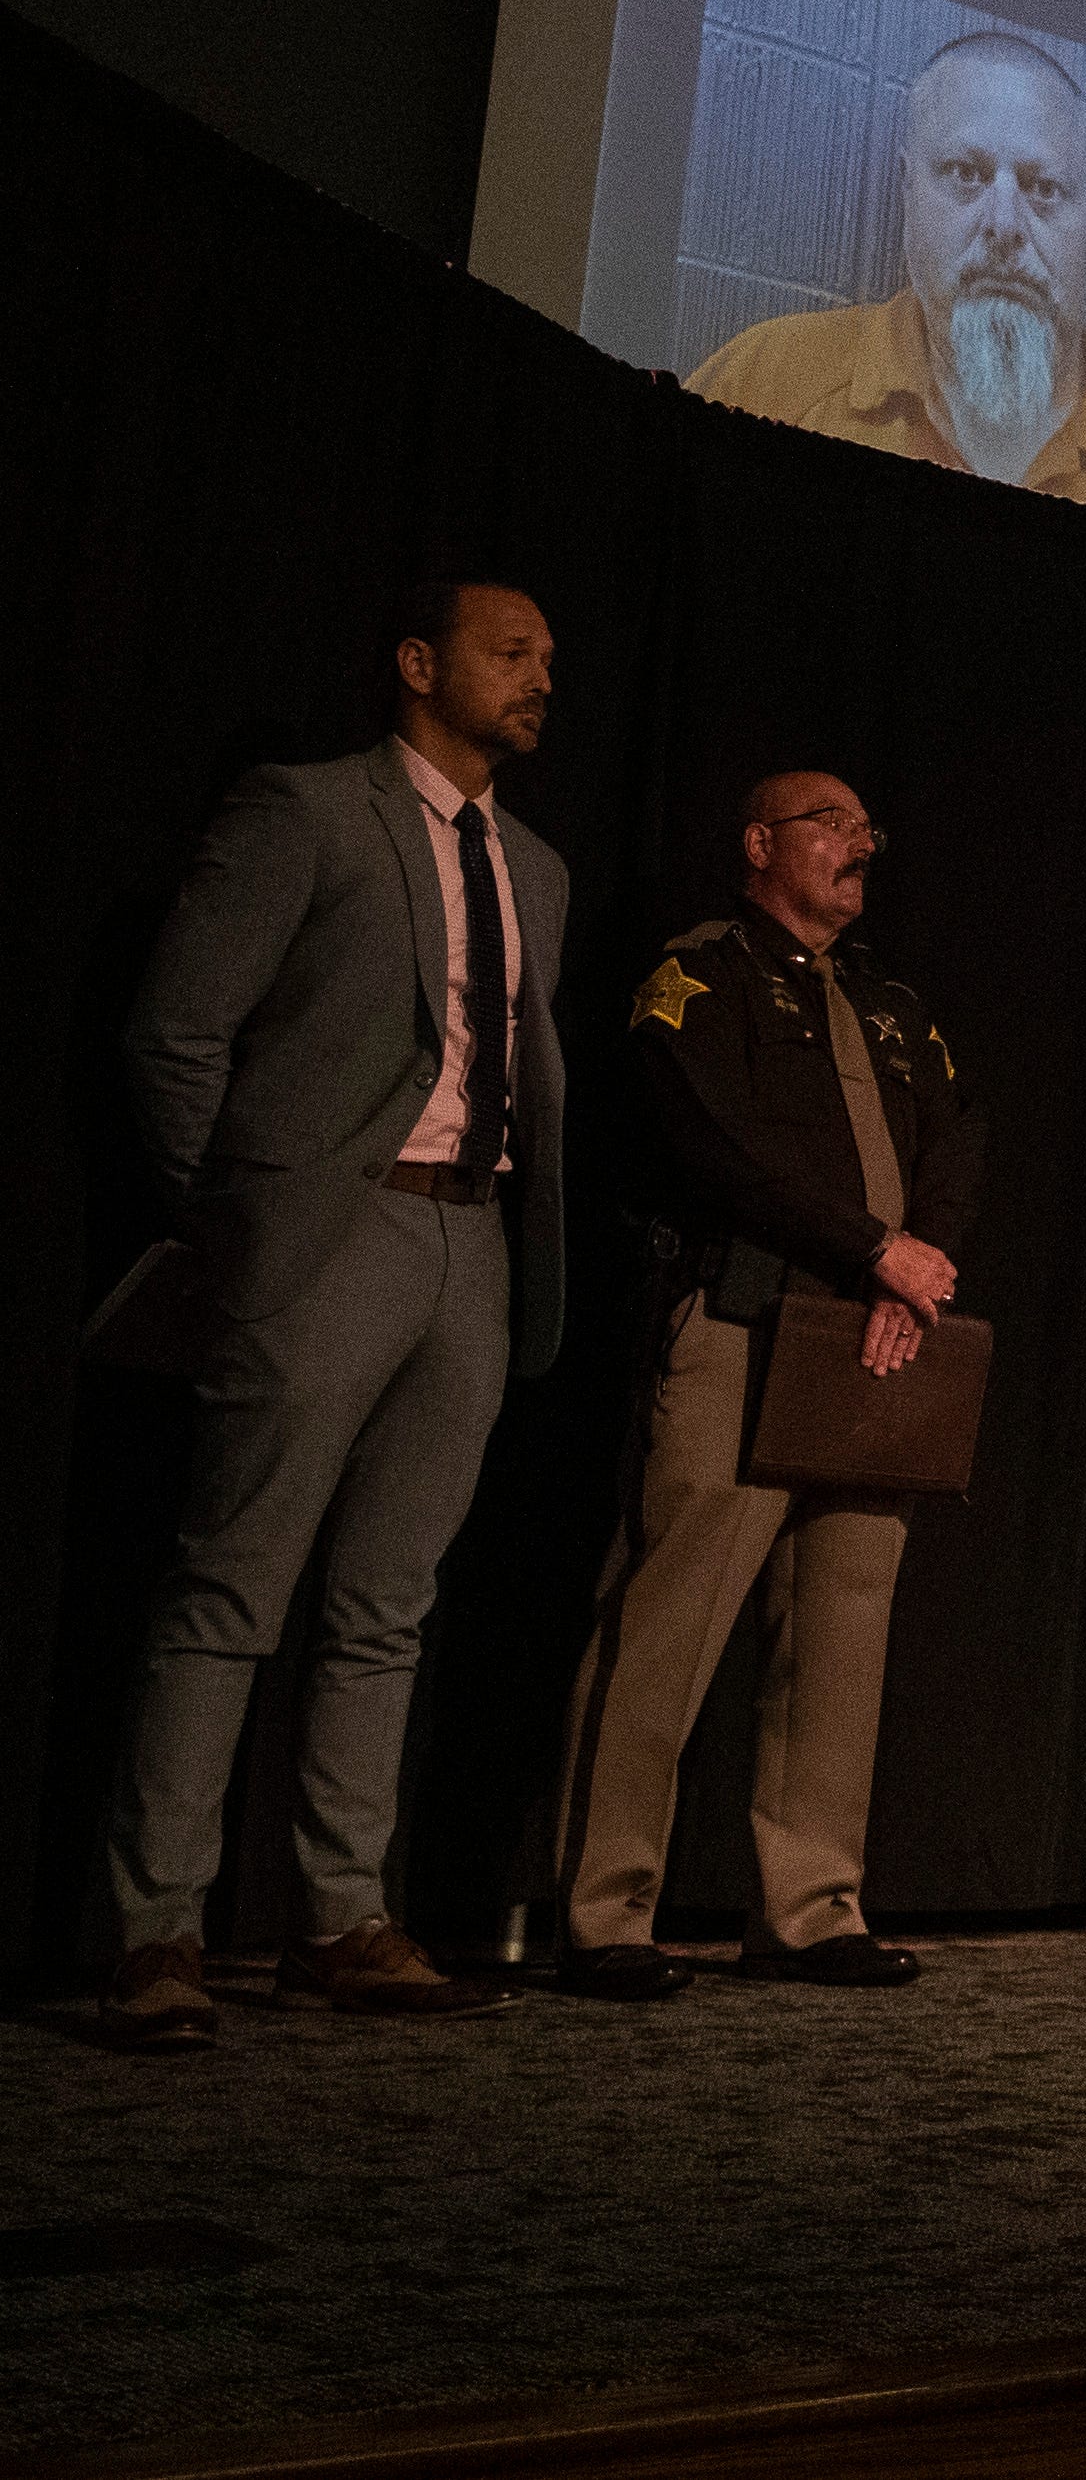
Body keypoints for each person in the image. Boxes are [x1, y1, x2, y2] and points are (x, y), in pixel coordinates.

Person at [98, 582, 568, 2050]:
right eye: (512, 650)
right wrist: (247, 1219)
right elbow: (177, 1030)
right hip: (330, 1230)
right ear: (419, 664)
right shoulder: (307, 812)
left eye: (550, 658)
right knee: (232, 1589)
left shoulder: (535, 865)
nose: (540, 676)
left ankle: (338, 1916)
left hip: (469, 1246)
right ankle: (155, 1927)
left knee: (387, 1606)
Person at [556, 770, 977, 1997]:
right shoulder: (703, 975)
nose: (858, 848)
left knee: (845, 1623)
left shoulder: (894, 1002)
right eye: (831, 827)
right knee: (669, 1617)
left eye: (867, 831)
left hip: (878, 1339)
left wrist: (917, 1269)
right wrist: (869, 1247)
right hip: (747, 1316)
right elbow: (709, 1142)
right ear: (758, 842)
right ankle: (608, 1911)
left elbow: (960, 1135)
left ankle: (809, 1905)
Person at [687, 31, 1086, 548]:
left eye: (1042, 187)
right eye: (967, 174)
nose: (1004, 225)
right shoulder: (760, 386)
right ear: (907, 191)